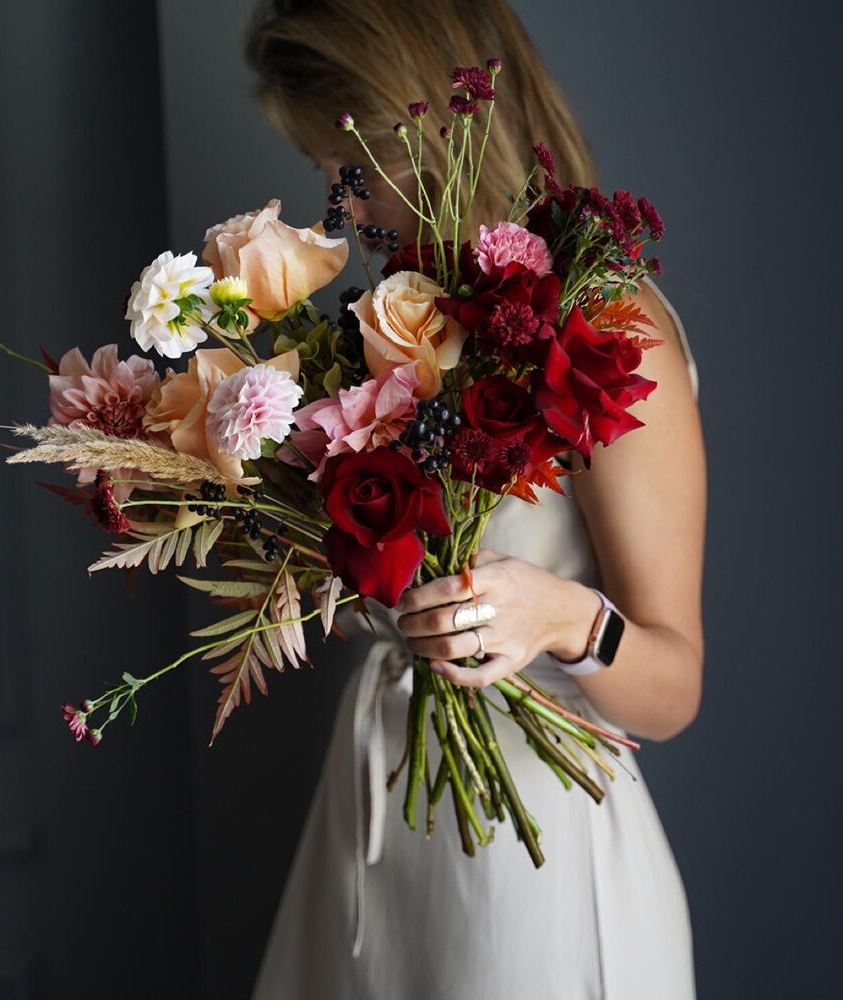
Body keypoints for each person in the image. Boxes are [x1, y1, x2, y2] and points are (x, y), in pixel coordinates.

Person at [244, 1, 706, 997]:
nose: (339, 207)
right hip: (375, 832)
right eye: (326, 170)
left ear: (433, 133)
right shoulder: (399, 326)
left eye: (354, 166)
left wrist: (565, 619)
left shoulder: (606, 328)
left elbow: (674, 687)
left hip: (533, 873)